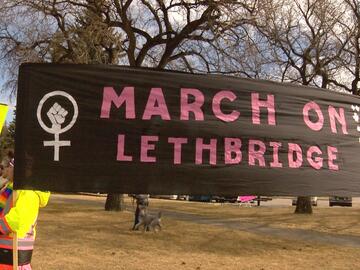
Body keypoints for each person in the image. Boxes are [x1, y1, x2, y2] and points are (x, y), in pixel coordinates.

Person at [0, 151, 50, 269]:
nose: (8, 170)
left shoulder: (29, 193)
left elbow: (17, 220)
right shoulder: (12, 188)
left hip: (14, 259)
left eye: (11, 167)